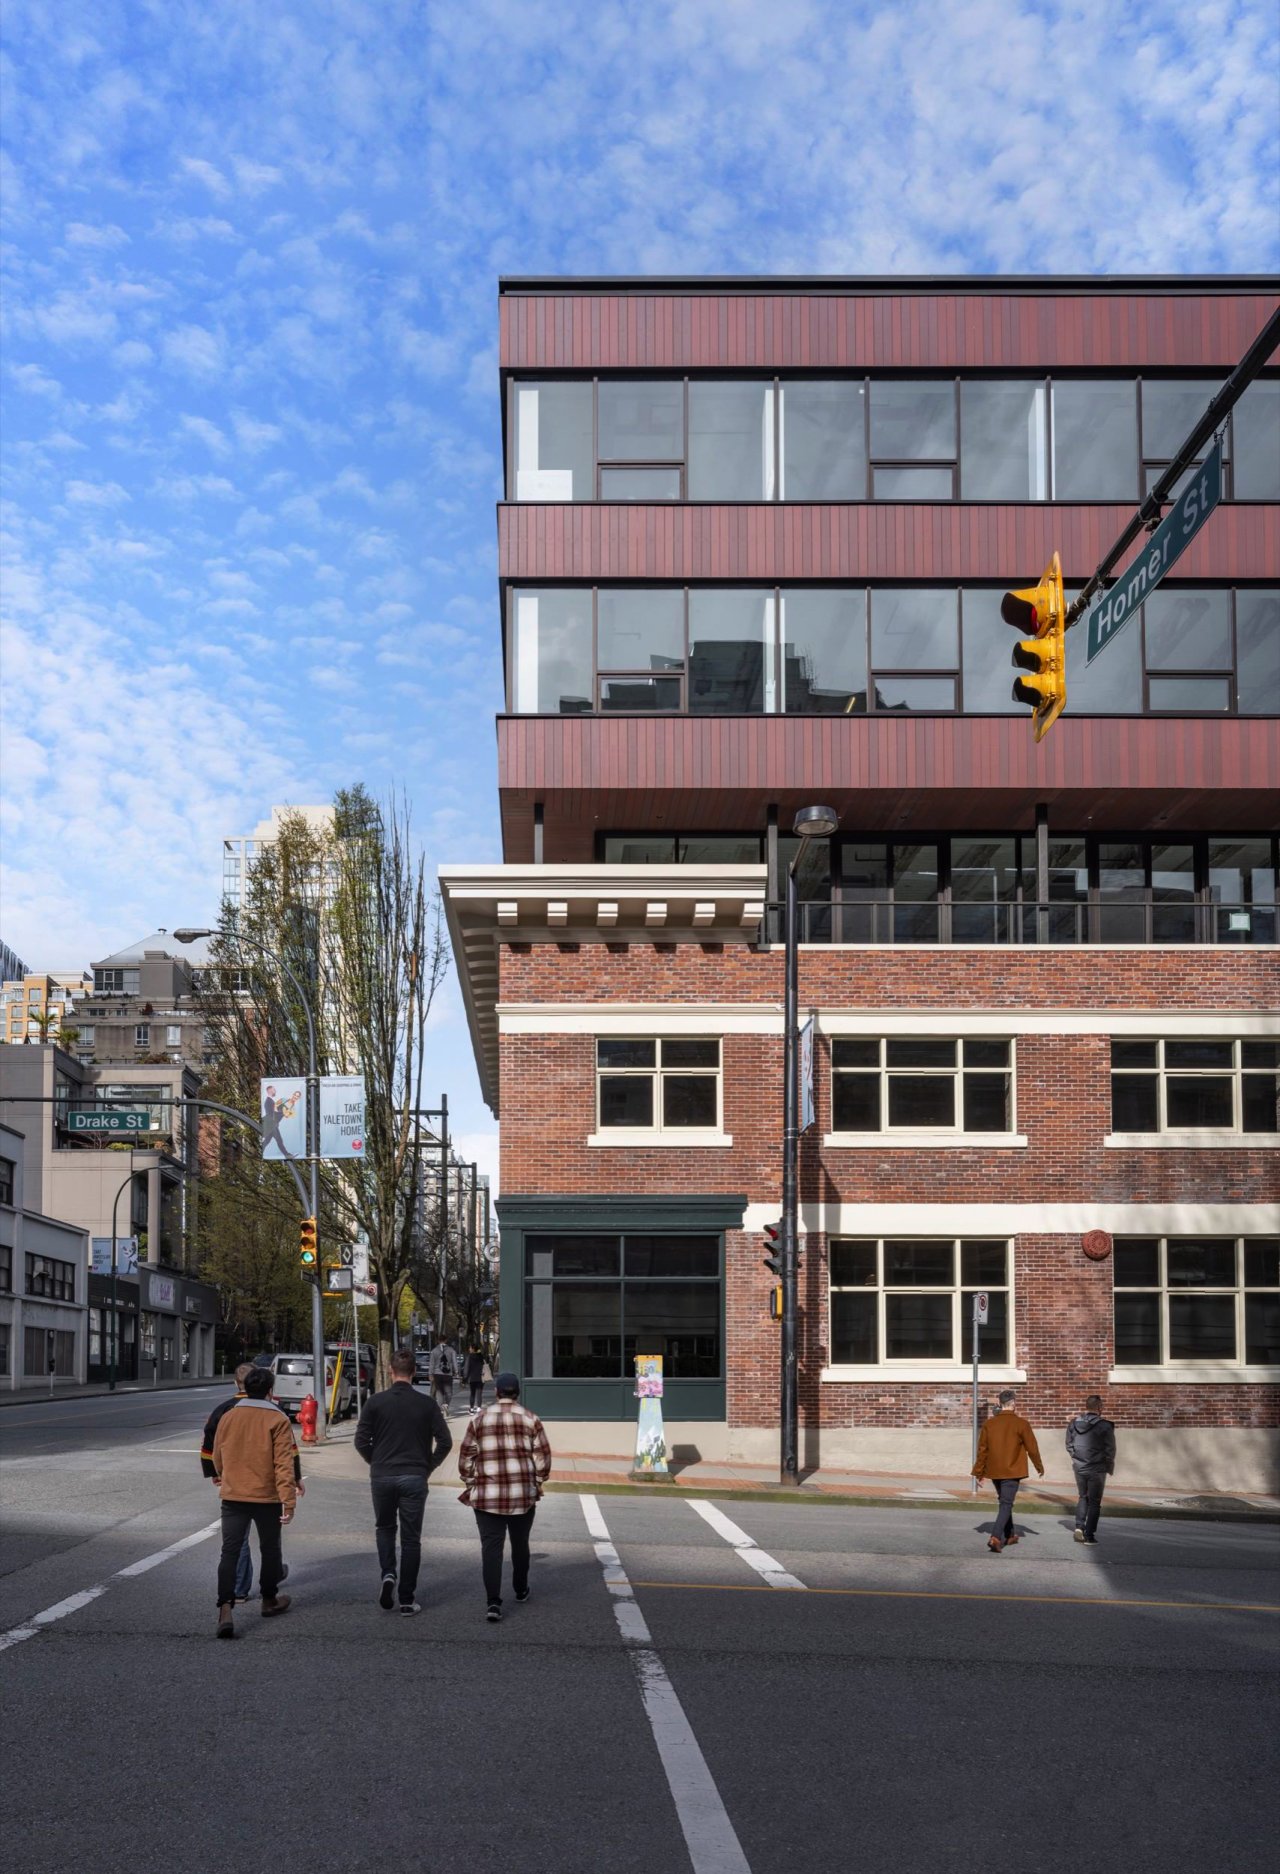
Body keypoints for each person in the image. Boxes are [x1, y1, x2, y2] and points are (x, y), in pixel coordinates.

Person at [353, 1346, 452, 1616]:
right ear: (415, 1372)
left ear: (390, 1370)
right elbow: (445, 1442)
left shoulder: (375, 1402)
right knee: (411, 1539)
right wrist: (427, 1467)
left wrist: (375, 1461)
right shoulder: (427, 1404)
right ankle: (407, 1599)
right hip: (414, 1476)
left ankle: (388, 1575)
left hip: (383, 1475)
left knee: (385, 1528)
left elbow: (360, 1440)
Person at [201, 1362, 303, 1601]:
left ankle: (225, 1607)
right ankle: (269, 1600)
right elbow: (284, 1463)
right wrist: (289, 1502)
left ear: (242, 1387)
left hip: (233, 1494)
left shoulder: (227, 1415)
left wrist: (224, 1474)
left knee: (230, 1551)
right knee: (269, 1549)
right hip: (266, 1495)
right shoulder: (278, 1418)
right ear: (270, 1390)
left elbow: (216, 1453)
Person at [457, 1371, 551, 1622]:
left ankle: (493, 1603)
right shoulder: (531, 1419)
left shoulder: (479, 1419)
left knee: (491, 1549)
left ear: (497, 1393)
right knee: (521, 1545)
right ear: (517, 1393)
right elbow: (543, 1456)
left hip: (488, 1495)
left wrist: (469, 1480)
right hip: (522, 1495)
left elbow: (466, 1455)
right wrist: (538, 1481)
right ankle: (520, 1589)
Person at [972, 1387, 1044, 1553]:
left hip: (995, 1470)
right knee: (1006, 1503)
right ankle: (995, 1537)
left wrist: (979, 1472)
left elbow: (983, 1450)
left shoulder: (989, 1424)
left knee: (1005, 1501)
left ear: (999, 1403)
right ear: (1014, 1404)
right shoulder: (1022, 1424)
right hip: (1013, 1471)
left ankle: (1010, 1535)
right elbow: (1032, 1448)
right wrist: (1039, 1466)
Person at [1066, 1393, 1116, 1544]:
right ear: (1100, 1408)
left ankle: (1079, 1527)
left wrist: (1077, 1458)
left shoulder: (1073, 1423)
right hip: (1097, 1468)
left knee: (1083, 1496)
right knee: (1094, 1502)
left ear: (1086, 1407)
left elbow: (1069, 1445)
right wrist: (1107, 1465)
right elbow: (1110, 1450)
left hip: (1079, 1466)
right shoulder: (1105, 1426)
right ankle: (1089, 1536)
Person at [427, 1339, 458, 1417]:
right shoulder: (451, 1350)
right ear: (446, 1340)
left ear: (438, 1341)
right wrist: (456, 1371)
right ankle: (446, 1404)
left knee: (439, 1392)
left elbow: (432, 1363)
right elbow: (454, 1361)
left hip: (437, 1374)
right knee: (449, 1392)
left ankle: (441, 1409)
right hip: (448, 1374)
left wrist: (430, 1374)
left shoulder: (434, 1351)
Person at [463, 1344, 486, 1414]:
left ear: (473, 1349)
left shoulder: (469, 1357)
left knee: (472, 1393)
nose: (469, 1349)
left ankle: (472, 1409)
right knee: (479, 1393)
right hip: (480, 1377)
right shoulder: (481, 1356)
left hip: (472, 1378)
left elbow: (466, 1369)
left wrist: (465, 1379)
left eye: (470, 1348)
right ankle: (479, 1408)